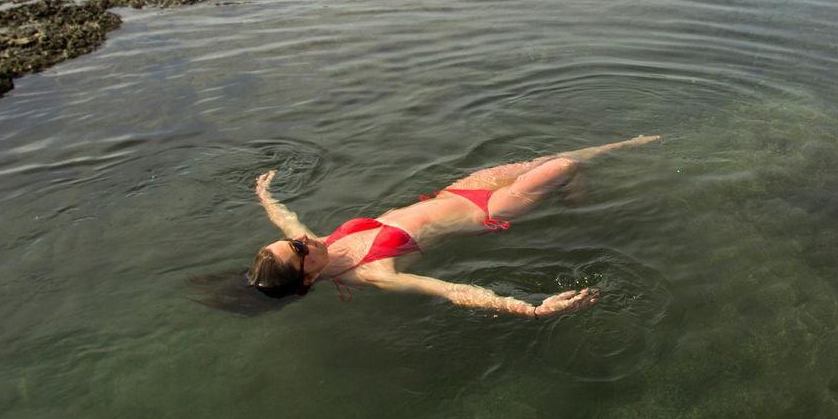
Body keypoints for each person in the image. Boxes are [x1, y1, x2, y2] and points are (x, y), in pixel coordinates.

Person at [246, 136, 661, 317]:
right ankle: (585, 212)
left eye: (292, 242)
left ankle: (631, 144)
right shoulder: (373, 272)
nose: (300, 239)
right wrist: (531, 309)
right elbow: (453, 292)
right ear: (308, 278)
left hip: (458, 191)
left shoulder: (323, 243)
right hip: (490, 210)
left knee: (551, 159)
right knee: (566, 166)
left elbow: (288, 221)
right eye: (298, 250)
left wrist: (266, 196)